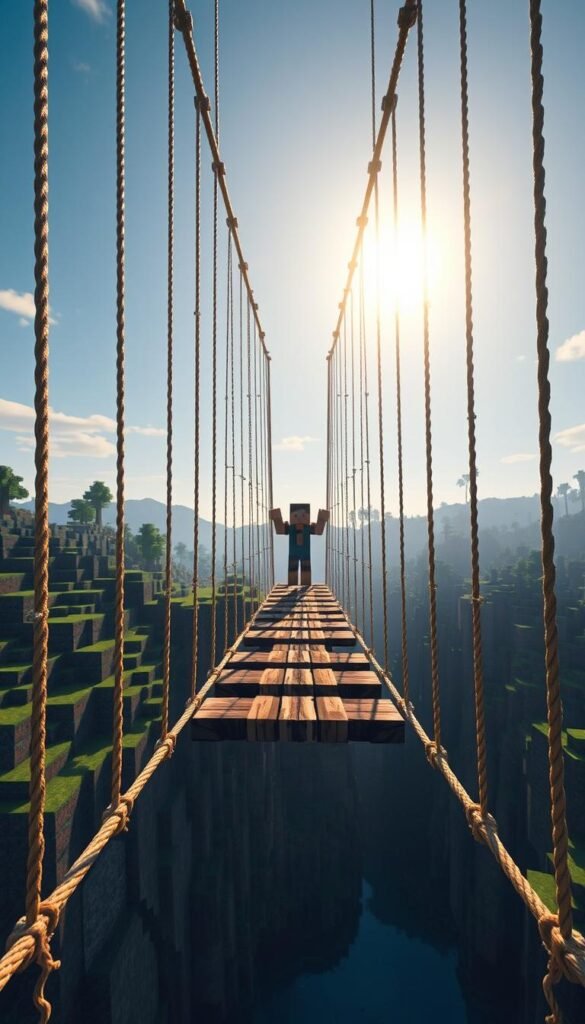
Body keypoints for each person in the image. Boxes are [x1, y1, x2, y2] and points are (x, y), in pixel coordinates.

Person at [269, 503, 329, 585]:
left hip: (300, 554)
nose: (300, 519)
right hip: (299, 554)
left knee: (304, 570)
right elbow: (280, 530)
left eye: (303, 516)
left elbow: (319, 531)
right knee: (294, 570)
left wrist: (322, 518)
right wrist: (276, 518)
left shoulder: (306, 528)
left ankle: (303, 584)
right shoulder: (293, 528)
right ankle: (295, 584)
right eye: (296, 516)